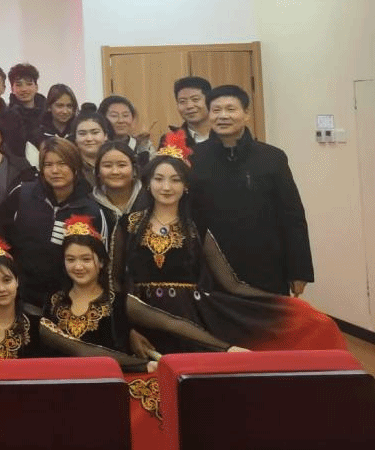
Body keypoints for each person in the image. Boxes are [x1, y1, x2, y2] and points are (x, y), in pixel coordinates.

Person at [115, 133, 345, 355]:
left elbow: (231, 285)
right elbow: (115, 283)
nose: (166, 187)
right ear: (148, 183)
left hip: (192, 320)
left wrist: (285, 306)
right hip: (142, 320)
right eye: (159, 179)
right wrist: (127, 329)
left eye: (175, 180)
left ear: (186, 185)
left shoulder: (197, 228)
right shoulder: (128, 225)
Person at [188, 85, 314, 296]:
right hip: (210, 270)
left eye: (231, 109)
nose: (223, 116)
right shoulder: (194, 157)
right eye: (216, 110)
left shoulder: (272, 157)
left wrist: (299, 271)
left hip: (266, 267)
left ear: (246, 114)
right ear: (209, 115)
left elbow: (292, 216)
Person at [0, 139, 112, 317]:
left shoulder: (91, 210)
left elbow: (101, 262)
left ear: (75, 166)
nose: (55, 170)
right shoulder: (22, 194)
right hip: (20, 300)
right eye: (48, 165)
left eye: (62, 164)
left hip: (68, 304)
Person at [37, 217, 151, 372]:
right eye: (71, 259)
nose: (78, 267)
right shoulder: (54, 301)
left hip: (108, 381)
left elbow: (172, 324)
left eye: (86, 259)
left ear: (102, 262)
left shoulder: (118, 302)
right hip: (63, 381)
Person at [91, 141, 142, 219]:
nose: (115, 172)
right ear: (97, 172)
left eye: (122, 165)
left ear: (134, 170)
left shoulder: (151, 202)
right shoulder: (89, 206)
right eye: (107, 166)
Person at [98, 95, 153, 168]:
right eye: (114, 116)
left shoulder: (142, 145)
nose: (121, 120)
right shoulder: (98, 145)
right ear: (102, 118)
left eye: (125, 115)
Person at [161, 76, 213, 149]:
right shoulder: (170, 140)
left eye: (195, 99)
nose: (189, 106)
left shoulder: (224, 134)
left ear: (210, 101)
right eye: (182, 101)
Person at [69, 111, 114, 190]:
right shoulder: (70, 166)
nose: (89, 139)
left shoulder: (117, 161)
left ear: (105, 135)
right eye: (82, 134)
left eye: (95, 133)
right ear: (75, 138)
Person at [7, 63, 46, 145]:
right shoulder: (8, 115)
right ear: (12, 89)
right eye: (19, 85)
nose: (24, 89)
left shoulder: (48, 113)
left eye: (29, 84)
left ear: (36, 87)